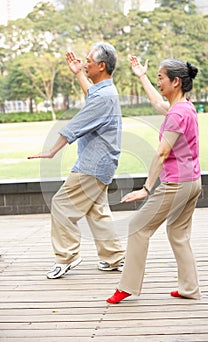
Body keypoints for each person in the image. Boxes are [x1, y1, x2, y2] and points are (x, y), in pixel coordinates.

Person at [106, 55, 202, 304]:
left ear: (176, 81)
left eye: (161, 78)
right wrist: (142, 77)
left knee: (137, 227)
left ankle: (127, 287)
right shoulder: (185, 107)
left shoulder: (177, 114)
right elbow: (158, 102)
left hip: (177, 184)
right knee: (177, 233)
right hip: (193, 181)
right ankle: (189, 288)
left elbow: (161, 153)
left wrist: (146, 189)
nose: (159, 82)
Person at [28, 42, 125, 279]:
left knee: (61, 204)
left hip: (92, 165)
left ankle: (67, 257)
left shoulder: (104, 97)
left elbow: (75, 125)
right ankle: (114, 257)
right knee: (97, 210)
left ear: (101, 66)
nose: (85, 63)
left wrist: (52, 151)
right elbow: (93, 95)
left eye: (88, 61)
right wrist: (79, 74)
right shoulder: (105, 91)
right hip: (101, 163)